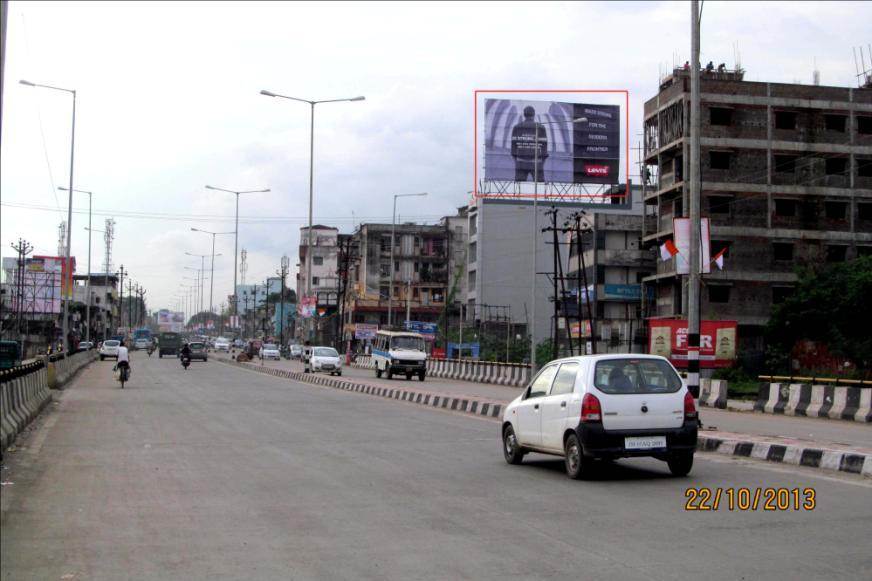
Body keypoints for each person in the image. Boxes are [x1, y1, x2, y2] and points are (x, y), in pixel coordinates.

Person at [510, 105, 548, 182]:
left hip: (520, 162)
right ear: (534, 114)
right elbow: (544, 149)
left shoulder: (516, 127)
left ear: (524, 114)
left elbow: (513, 149)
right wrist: (541, 163)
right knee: (539, 187)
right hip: (537, 163)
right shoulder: (541, 127)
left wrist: (517, 162)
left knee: (519, 188)